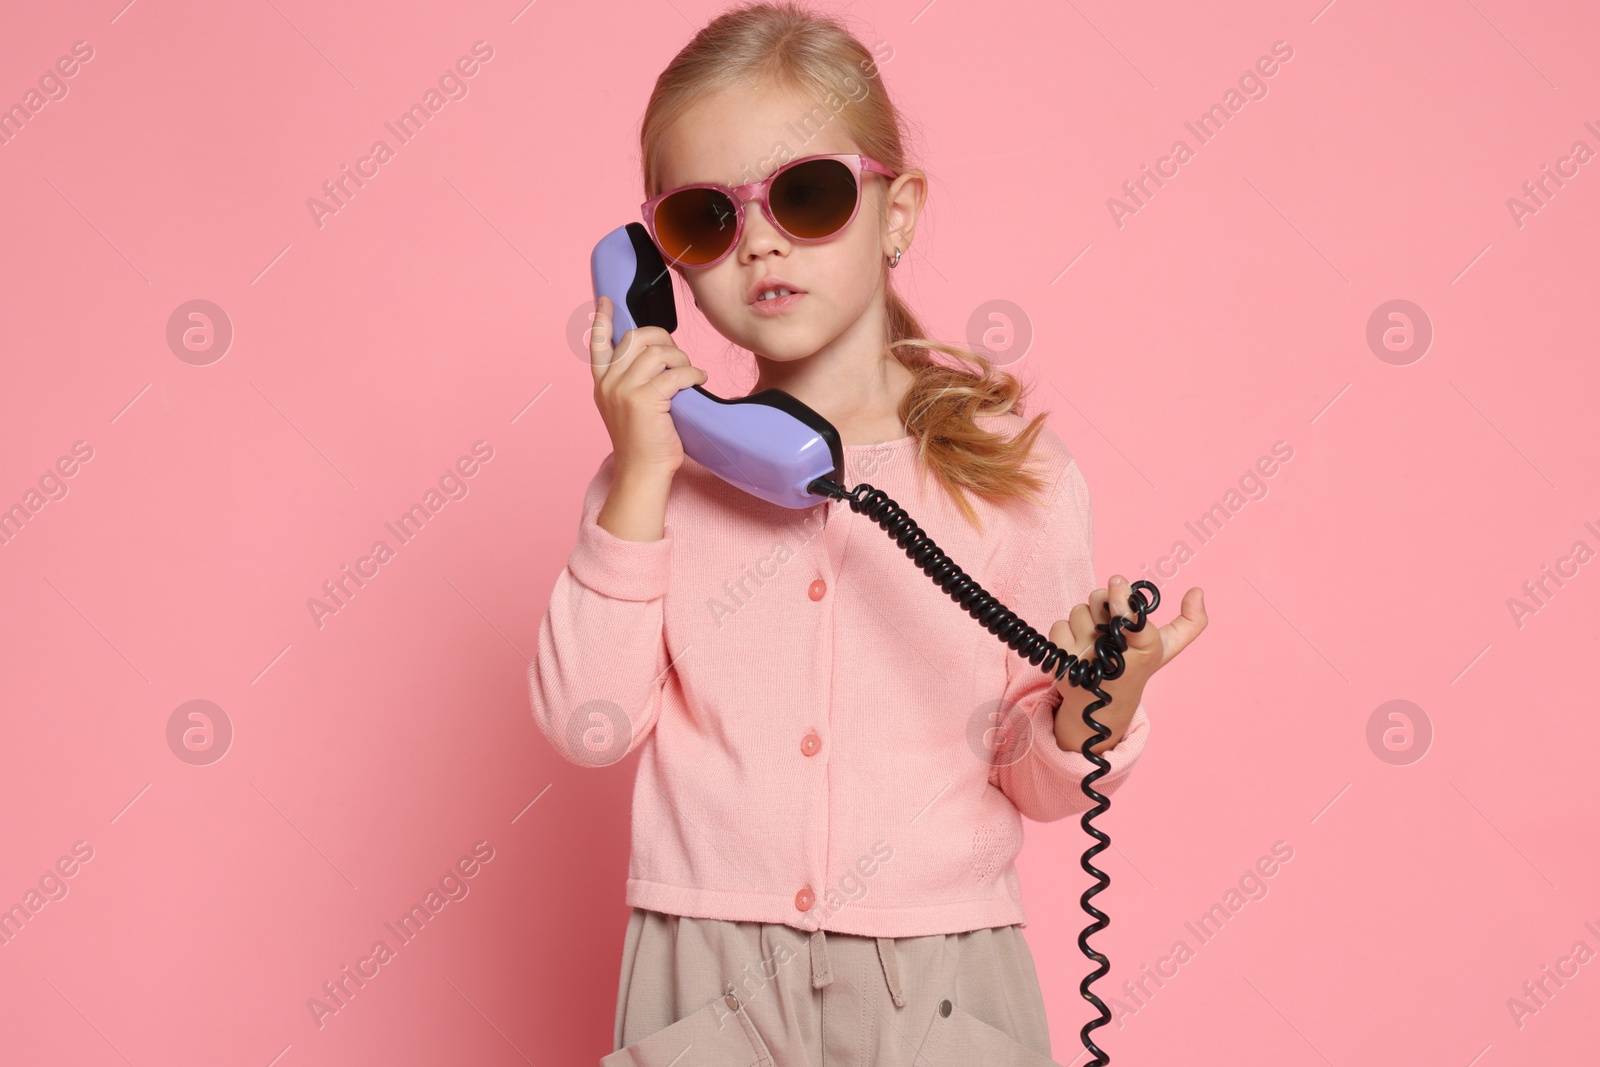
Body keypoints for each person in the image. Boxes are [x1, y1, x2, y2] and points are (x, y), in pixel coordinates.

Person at [528, 3, 1207, 1064]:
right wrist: (644, 477)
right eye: (704, 218)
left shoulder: (1015, 481)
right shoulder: (653, 483)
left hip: (938, 975)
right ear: (654, 268)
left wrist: (1092, 710)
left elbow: (1030, 779)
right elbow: (589, 726)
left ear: (896, 212)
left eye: (807, 195)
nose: (758, 240)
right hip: (705, 964)